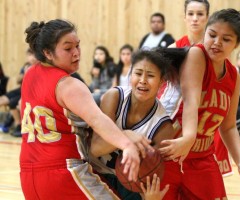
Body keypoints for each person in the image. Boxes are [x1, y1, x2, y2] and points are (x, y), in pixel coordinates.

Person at [20, 19, 152, 200]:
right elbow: (97, 120)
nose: (76, 53)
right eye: (68, 49)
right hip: (63, 172)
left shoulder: (30, 74)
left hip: (28, 176)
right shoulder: (69, 85)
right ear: (47, 53)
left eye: (78, 46)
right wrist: (126, 144)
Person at [158, 8, 240, 199]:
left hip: (203, 157)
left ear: (237, 44)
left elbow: (229, 126)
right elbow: (191, 101)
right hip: (172, 151)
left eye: (226, 39)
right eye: (212, 35)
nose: (217, 42)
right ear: (205, 33)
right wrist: (189, 138)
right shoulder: (196, 55)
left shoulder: (233, 75)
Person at [68, 49, 178, 200]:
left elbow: (151, 173)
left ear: (161, 82)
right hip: (94, 170)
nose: (143, 80)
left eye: (150, 76)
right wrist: (126, 138)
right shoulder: (114, 97)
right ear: (130, 75)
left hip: (129, 183)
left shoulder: (163, 127)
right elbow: (95, 149)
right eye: (138, 73)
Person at [0, 48, 37, 136]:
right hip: (21, 88)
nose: (32, 58)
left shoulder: (39, 67)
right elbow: (18, 80)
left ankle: (18, 125)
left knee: (14, 103)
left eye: (33, 55)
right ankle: (10, 120)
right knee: (2, 100)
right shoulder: (26, 66)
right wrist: (24, 73)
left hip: (32, 90)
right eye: (29, 55)